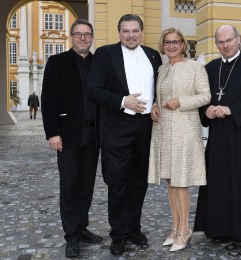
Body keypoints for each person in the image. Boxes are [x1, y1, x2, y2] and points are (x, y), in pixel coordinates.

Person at [193, 25, 241, 258]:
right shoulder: (210, 68)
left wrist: (231, 109)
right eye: (220, 42)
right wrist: (206, 111)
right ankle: (222, 228)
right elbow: (203, 98)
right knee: (220, 183)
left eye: (229, 40)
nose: (225, 45)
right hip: (218, 138)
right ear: (216, 44)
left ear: (238, 40)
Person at [88, 14, 162, 256]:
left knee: (139, 180)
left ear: (142, 31)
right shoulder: (105, 54)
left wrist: (157, 104)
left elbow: (159, 88)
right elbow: (94, 90)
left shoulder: (153, 55)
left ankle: (133, 228)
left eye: (135, 31)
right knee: (117, 182)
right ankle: (118, 234)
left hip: (145, 127)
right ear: (119, 32)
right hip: (117, 125)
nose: (131, 35)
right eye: (126, 31)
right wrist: (123, 101)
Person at [41, 19, 102, 258]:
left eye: (87, 34)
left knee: (86, 186)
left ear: (92, 37)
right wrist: (52, 133)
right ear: (71, 37)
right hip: (67, 136)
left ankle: (82, 227)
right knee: (69, 186)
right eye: (78, 34)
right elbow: (48, 99)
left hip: (93, 135)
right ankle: (71, 236)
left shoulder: (100, 63)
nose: (83, 38)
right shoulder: (57, 62)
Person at [148, 27, 211, 252]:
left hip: (185, 129)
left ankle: (185, 229)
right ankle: (175, 227)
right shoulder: (162, 69)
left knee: (180, 181)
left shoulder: (196, 67)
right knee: (169, 180)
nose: (171, 46)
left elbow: (205, 96)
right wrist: (155, 106)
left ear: (183, 44)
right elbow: (159, 96)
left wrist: (180, 101)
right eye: (167, 42)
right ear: (163, 46)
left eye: (176, 42)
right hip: (163, 129)